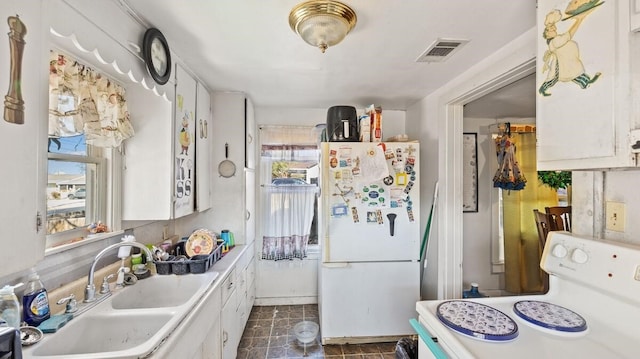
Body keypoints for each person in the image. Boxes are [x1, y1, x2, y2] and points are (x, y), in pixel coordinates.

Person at [538, 7, 601, 96]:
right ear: (547, 34)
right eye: (551, 29)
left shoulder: (555, 40)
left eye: (553, 28)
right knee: (560, 76)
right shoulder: (555, 41)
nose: (554, 29)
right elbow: (569, 35)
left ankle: (586, 81)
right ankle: (542, 89)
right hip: (564, 64)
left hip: (567, 61)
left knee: (573, 73)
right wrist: (579, 21)